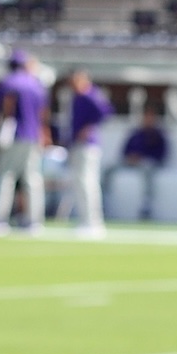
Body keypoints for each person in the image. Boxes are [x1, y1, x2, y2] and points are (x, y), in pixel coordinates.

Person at [0, 49, 48, 235]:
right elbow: (43, 115)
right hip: (33, 137)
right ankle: (34, 222)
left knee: (5, 177)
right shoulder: (37, 85)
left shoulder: (8, 83)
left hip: (12, 136)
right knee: (32, 179)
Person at [64, 70, 111, 237]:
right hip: (78, 144)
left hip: (87, 145)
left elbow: (106, 111)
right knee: (80, 183)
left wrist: (89, 128)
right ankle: (86, 220)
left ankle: (92, 222)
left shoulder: (90, 94)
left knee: (87, 183)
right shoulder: (78, 96)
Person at [106, 109, 168, 220]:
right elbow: (124, 150)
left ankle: (146, 204)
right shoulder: (136, 134)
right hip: (131, 162)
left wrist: (143, 158)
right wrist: (130, 157)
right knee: (109, 168)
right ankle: (104, 199)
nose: (148, 120)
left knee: (147, 168)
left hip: (147, 163)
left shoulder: (158, 136)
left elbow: (161, 155)